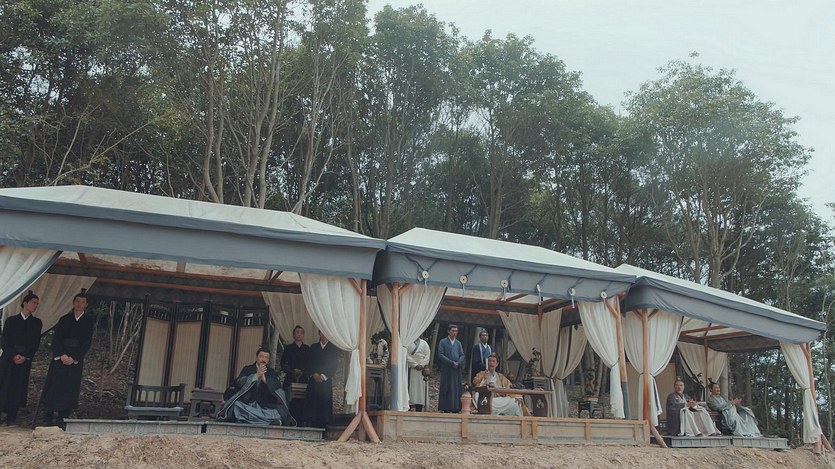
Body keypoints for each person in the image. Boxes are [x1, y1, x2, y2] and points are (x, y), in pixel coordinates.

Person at [40, 290, 95, 428]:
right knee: (54, 384)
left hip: (75, 359)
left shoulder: (88, 321)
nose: (79, 304)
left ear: (86, 305)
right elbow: (57, 338)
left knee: (70, 387)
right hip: (61, 356)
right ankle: (48, 416)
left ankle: (63, 417)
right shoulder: (64, 319)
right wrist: (62, 354)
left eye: (82, 302)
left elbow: (87, 342)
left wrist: (74, 357)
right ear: (73, 303)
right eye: (77, 301)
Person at [217, 347, 293, 426]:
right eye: (261, 356)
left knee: (280, 411)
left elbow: (277, 387)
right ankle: (268, 421)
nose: (263, 359)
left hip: (265, 404)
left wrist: (264, 379)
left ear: (268, 360)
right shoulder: (247, 369)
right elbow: (239, 382)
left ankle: (252, 420)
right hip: (248, 403)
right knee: (236, 406)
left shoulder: (271, 372)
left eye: (266, 357)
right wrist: (256, 376)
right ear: (257, 357)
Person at [0, 291, 43, 426]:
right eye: (33, 302)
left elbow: (35, 342)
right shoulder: (11, 320)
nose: (35, 305)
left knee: (18, 387)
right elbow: (5, 339)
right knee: (4, 385)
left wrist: (25, 356)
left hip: (24, 358)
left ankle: (12, 416)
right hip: (9, 358)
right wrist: (13, 354)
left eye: (37, 304)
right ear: (25, 303)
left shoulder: (36, 323)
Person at [304, 331, 340, 428]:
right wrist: (314, 373)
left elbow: (334, 364)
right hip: (314, 378)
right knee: (312, 399)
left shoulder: (333, 348)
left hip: (326, 379)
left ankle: (324, 423)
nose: (324, 335)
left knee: (324, 401)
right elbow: (309, 362)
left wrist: (324, 376)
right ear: (319, 334)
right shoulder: (313, 347)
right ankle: (311, 422)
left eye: (326, 333)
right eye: (322, 333)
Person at [280, 325, 309, 423]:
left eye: (301, 332)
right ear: (293, 335)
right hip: (290, 378)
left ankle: (301, 422)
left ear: (303, 335)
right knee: (289, 400)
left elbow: (310, 364)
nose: (299, 334)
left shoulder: (307, 349)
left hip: (303, 379)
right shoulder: (288, 348)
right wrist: (292, 370)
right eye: (297, 332)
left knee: (302, 401)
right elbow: (283, 363)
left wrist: (302, 371)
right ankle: (289, 421)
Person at [437, 324, 465, 413]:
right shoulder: (443, 342)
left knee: (456, 388)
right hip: (447, 368)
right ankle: (446, 407)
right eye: (453, 331)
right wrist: (451, 362)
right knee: (447, 387)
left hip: (456, 369)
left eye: (456, 331)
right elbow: (441, 354)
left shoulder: (458, 343)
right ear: (448, 331)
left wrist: (459, 362)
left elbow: (462, 355)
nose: (454, 333)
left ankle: (456, 407)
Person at [406, 336, 430, 411]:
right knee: (411, 387)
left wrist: (422, 364)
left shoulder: (424, 343)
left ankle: (419, 405)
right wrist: (415, 364)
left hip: (421, 370)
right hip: (411, 368)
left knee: (420, 388)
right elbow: (406, 354)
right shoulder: (407, 342)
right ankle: (409, 405)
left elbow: (427, 355)